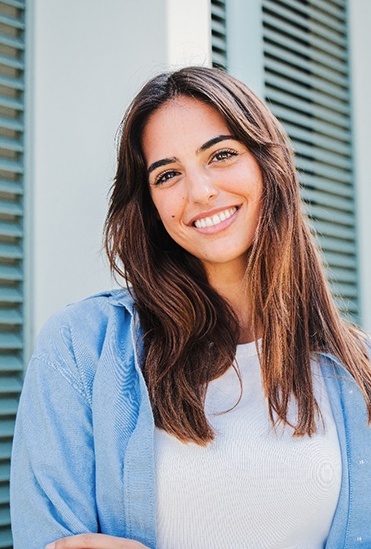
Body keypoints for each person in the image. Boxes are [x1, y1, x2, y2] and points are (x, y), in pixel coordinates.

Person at [10, 66, 371, 549]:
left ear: (269, 165)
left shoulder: (357, 371)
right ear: (150, 203)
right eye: (168, 174)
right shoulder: (81, 348)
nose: (199, 192)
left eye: (221, 155)